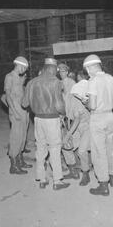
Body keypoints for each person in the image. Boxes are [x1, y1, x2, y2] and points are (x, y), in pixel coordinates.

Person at [22, 58, 70, 190]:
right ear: (52, 68)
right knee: (54, 148)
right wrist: (64, 114)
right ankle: (57, 181)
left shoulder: (31, 82)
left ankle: (42, 179)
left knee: (41, 148)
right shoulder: (56, 82)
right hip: (52, 119)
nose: (57, 72)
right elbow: (59, 105)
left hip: (38, 119)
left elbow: (24, 103)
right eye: (57, 70)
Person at [83, 54, 113, 196]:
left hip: (97, 117)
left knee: (99, 152)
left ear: (90, 67)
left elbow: (92, 105)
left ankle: (103, 185)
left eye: (86, 69)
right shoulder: (111, 79)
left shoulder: (93, 81)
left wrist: (85, 102)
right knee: (110, 149)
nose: (87, 72)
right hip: (110, 116)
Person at [4, 56, 32, 175]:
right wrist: (14, 112)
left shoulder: (18, 78)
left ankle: (20, 160)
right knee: (16, 136)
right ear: (19, 65)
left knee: (23, 135)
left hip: (23, 110)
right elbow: (8, 96)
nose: (24, 70)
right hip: (16, 110)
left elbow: (20, 93)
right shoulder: (9, 77)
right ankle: (13, 165)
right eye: (24, 68)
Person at [62, 70, 92, 186]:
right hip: (75, 126)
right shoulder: (66, 96)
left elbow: (77, 119)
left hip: (85, 126)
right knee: (65, 146)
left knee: (82, 150)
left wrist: (68, 135)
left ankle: (85, 173)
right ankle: (73, 171)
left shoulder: (76, 97)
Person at [58, 63, 80, 179]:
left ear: (67, 72)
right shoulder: (59, 83)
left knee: (68, 142)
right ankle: (75, 167)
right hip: (65, 115)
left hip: (72, 116)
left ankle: (74, 170)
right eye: (60, 71)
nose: (61, 73)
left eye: (63, 71)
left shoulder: (71, 83)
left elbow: (72, 100)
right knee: (69, 142)